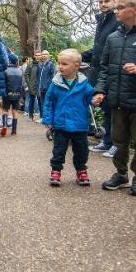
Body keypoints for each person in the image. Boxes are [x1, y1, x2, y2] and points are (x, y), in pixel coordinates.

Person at [92, 0, 136, 197]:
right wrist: (101, 91)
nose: (115, 11)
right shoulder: (113, 37)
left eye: (120, 7)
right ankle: (121, 174)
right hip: (116, 100)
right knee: (119, 141)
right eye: (115, 7)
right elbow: (104, 68)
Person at [43, 49, 103, 186]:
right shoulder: (55, 84)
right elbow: (49, 101)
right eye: (59, 63)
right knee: (59, 150)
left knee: (82, 150)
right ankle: (56, 170)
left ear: (76, 66)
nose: (60, 67)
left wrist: (96, 100)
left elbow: (90, 99)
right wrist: (47, 118)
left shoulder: (84, 84)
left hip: (79, 125)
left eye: (64, 64)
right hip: (61, 124)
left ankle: (81, 170)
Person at [81, 0, 121, 157]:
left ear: (114, 2)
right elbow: (98, 48)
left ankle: (117, 144)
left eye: (107, 1)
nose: (103, 4)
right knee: (106, 107)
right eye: (100, 2)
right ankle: (108, 141)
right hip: (99, 71)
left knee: (113, 109)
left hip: (111, 70)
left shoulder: (117, 20)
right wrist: (79, 55)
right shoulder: (102, 21)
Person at [1, 54, 23, 136]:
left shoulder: (5, 71)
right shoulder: (20, 71)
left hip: (7, 92)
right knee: (15, 111)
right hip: (17, 93)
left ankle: (5, 125)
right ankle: (14, 131)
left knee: (5, 110)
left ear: (9, 61)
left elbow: (3, 82)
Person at [36, 50, 56, 123]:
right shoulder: (40, 65)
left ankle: (48, 117)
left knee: (48, 102)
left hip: (47, 87)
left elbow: (52, 75)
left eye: (46, 54)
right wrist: (37, 85)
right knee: (42, 102)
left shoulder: (51, 64)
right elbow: (38, 76)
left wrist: (48, 84)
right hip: (40, 87)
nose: (44, 55)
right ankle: (43, 117)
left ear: (48, 55)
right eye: (43, 54)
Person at [24, 51, 41, 121]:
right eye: (36, 55)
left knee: (40, 102)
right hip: (32, 86)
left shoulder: (42, 65)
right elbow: (26, 74)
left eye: (39, 55)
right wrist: (29, 83)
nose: (37, 57)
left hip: (40, 87)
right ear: (34, 56)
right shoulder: (30, 65)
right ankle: (30, 116)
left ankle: (41, 116)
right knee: (31, 101)